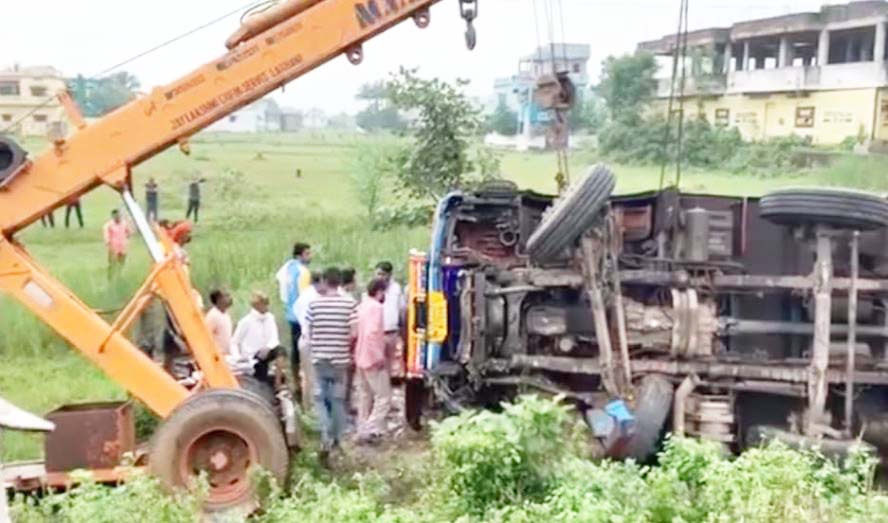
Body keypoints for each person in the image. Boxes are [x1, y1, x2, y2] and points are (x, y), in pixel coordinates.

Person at [304, 267, 357, 461]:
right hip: (340, 360)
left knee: (320, 399)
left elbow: (308, 333)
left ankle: (325, 436)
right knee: (337, 400)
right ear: (340, 282)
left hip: (320, 359)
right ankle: (336, 439)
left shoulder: (314, 305)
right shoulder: (349, 304)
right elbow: (353, 333)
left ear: (325, 281)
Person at [354, 278, 391, 444]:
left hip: (360, 356)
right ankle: (370, 428)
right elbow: (372, 333)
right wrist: (378, 356)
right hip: (371, 358)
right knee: (384, 396)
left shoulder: (362, 305)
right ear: (380, 291)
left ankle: (362, 426)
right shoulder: (376, 308)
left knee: (364, 395)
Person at [276, 242, 312, 384]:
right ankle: (301, 377)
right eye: (307, 253)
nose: (310, 256)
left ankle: (294, 373)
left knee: (294, 347)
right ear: (300, 255)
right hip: (300, 315)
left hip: (290, 312)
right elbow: (304, 295)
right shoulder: (303, 272)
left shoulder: (287, 268)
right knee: (302, 347)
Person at [231, 291, 282, 385]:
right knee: (261, 379)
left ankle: (278, 384)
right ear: (257, 305)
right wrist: (237, 357)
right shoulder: (246, 321)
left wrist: (268, 347)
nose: (266, 307)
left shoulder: (270, 318)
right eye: (264, 304)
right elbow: (234, 342)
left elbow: (274, 337)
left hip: (266, 351)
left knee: (280, 351)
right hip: (252, 355)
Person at [375, 261, 406, 380]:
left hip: (392, 331)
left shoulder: (396, 288)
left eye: (382, 274)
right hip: (377, 332)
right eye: (378, 274)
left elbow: (401, 308)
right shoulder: (374, 288)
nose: (380, 277)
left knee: (390, 361)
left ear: (389, 274)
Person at [103, 209, 131, 279]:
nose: (117, 217)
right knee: (112, 263)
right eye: (115, 216)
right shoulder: (108, 225)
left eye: (118, 215)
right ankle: (110, 277)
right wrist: (109, 245)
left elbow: (129, 232)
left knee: (122, 262)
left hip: (122, 246)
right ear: (113, 216)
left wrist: (126, 239)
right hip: (113, 247)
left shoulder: (124, 223)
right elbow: (107, 236)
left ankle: (119, 276)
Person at [206, 289, 234, 356]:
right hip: (217, 356)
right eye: (227, 296)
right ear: (219, 299)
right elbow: (206, 336)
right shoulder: (212, 316)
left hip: (227, 355)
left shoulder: (226, 315)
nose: (230, 298)